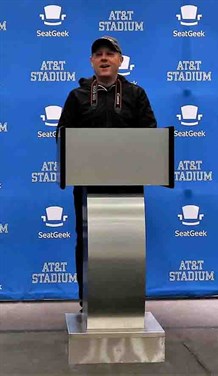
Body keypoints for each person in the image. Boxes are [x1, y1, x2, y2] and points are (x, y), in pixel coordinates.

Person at [57, 36, 157, 309]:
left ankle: (127, 301)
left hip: (128, 185)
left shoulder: (136, 94)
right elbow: (62, 135)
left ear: (120, 61)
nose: (104, 58)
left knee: (127, 239)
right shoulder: (76, 96)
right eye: (98, 54)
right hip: (87, 184)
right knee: (86, 238)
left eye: (109, 54)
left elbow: (150, 134)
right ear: (91, 61)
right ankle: (86, 299)